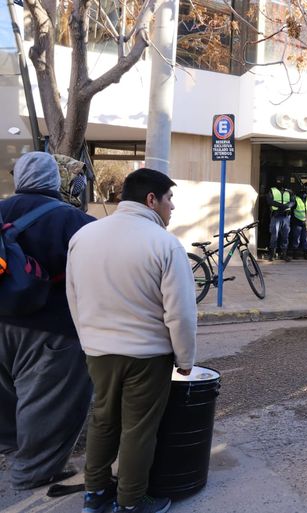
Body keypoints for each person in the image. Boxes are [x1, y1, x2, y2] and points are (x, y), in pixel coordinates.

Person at [67, 168, 197, 513]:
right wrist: (185, 359)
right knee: (139, 428)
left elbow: (74, 296)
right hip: (147, 355)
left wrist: (88, 341)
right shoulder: (165, 244)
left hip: (98, 351)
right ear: (151, 199)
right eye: (169, 199)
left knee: (103, 420)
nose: (172, 207)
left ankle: (95, 495)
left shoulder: (84, 236)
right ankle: (132, 500)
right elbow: (180, 313)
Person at [0, 152, 95, 490]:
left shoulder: (1, 210)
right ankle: (35, 470)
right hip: (51, 329)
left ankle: (11, 448)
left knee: (7, 395)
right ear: (56, 180)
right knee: (50, 400)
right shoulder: (75, 222)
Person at [266, 177, 295, 262]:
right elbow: (269, 201)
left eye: (282, 181)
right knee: (274, 236)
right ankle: (272, 254)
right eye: (279, 181)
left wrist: (286, 206)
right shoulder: (272, 190)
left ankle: (284, 254)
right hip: (276, 216)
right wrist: (282, 206)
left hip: (286, 217)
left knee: (285, 237)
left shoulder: (289, 191)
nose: (281, 183)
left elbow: (293, 202)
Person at [289, 185, 307, 259]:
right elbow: (292, 210)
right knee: (296, 238)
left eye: (305, 192)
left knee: (305, 239)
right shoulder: (296, 199)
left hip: (306, 222)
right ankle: (295, 254)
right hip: (297, 221)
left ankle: (306, 254)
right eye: (303, 192)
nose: (304, 194)